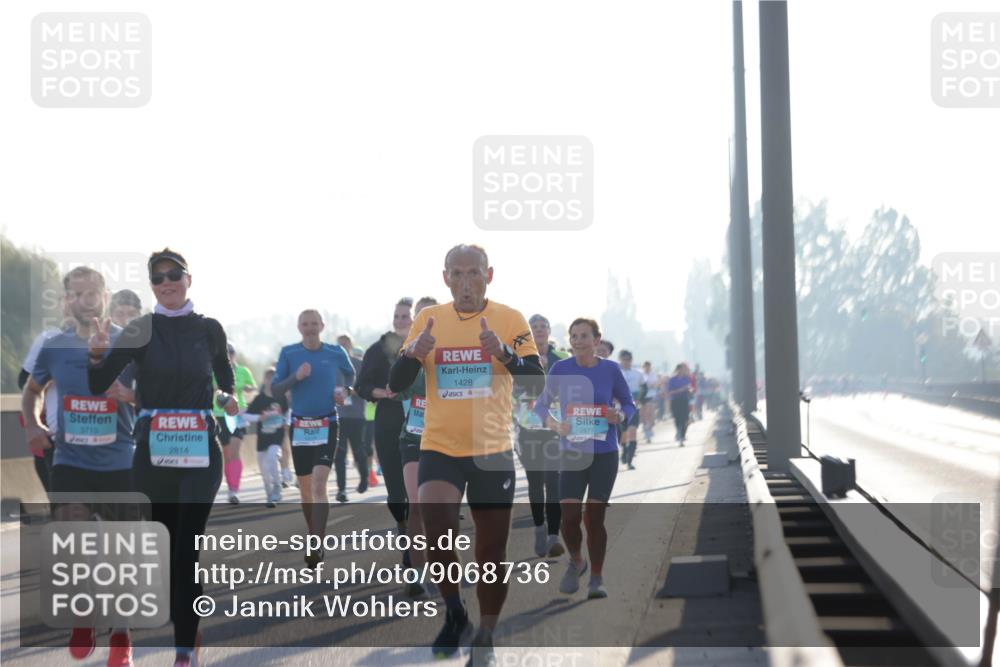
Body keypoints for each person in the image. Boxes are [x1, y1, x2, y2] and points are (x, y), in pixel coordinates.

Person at [389, 244, 544, 666]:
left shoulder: (510, 319)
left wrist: (505, 354)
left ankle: (486, 636)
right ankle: (455, 612)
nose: (465, 283)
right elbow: (397, 382)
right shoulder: (429, 319)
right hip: (439, 446)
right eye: (456, 274)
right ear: (445, 279)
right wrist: (414, 353)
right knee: (436, 529)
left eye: (473, 273)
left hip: (492, 450)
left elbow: (536, 383)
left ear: (488, 275)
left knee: (491, 554)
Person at [88, 248, 239, 667]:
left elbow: (224, 376)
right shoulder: (140, 329)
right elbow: (99, 383)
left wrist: (227, 396)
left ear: (189, 279)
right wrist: (97, 354)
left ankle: (184, 651)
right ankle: (188, 630)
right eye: (158, 277)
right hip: (153, 456)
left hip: (200, 453)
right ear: (152, 285)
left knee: (187, 550)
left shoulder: (209, 329)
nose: (167, 282)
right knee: (166, 554)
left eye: (175, 274)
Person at [24, 266, 137, 667]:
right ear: (67, 299)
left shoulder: (130, 344)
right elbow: (32, 391)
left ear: (105, 297)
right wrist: (33, 423)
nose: (87, 300)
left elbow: (157, 395)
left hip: (120, 462)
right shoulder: (53, 346)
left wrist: (130, 396)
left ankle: (121, 637)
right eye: (78, 294)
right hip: (70, 460)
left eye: (94, 293)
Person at [535, 318, 635, 600]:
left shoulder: (610, 370)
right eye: (574, 336)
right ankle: (577, 560)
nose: (578, 341)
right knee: (569, 516)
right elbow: (541, 406)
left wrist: (620, 415)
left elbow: (629, 404)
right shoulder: (560, 369)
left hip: (604, 453)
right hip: (572, 453)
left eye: (584, 336)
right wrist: (555, 425)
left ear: (596, 340)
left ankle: (596, 578)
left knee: (594, 516)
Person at [271, 309, 354, 566]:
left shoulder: (335, 352)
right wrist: (296, 377)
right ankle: (313, 534)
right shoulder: (289, 353)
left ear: (322, 326)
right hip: (300, 426)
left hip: (327, 422)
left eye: (314, 323)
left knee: (319, 484)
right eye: (305, 324)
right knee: (306, 490)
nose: (310, 328)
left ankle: (316, 542)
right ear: (299, 327)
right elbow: (275, 389)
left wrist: (345, 391)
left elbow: (351, 375)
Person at [357, 298, 413, 544]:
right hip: (389, 423)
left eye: (405, 316)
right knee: (396, 491)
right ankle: (403, 525)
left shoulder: (430, 345)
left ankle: (421, 539)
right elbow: (362, 386)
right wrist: (384, 392)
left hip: (424, 424)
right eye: (397, 316)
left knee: (421, 487)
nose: (400, 321)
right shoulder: (378, 349)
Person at [395, 296, 438, 598]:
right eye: (419, 315)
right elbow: (397, 388)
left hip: (447, 440)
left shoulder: (453, 350)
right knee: (416, 504)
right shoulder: (408, 352)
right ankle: (417, 573)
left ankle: (440, 565)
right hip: (412, 436)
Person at [517, 314, 567, 558]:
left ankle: (554, 536)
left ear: (548, 330)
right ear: (528, 332)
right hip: (528, 428)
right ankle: (540, 528)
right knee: (535, 482)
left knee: (552, 480)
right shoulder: (519, 358)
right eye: (533, 327)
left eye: (542, 326)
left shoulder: (561, 358)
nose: (538, 330)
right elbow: (511, 388)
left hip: (554, 429)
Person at [213, 343, 256, 504]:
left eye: (230, 353)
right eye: (225, 353)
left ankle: (234, 490)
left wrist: (247, 388)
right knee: (227, 455)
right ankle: (231, 488)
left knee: (234, 451)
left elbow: (252, 387)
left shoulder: (243, 371)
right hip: (220, 415)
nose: (228, 356)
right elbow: (210, 388)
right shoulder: (214, 371)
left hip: (239, 413)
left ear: (234, 354)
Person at [244, 367, 287, 507]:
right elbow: (246, 415)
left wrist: (286, 421)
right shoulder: (259, 399)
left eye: (274, 378)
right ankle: (269, 494)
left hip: (277, 437)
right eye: (268, 378)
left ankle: (277, 487)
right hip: (263, 439)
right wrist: (259, 417)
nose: (271, 380)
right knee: (264, 469)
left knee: (272, 457)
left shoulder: (281, 397)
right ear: (265, 380)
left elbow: (289, 412)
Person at [333, 333, 369, 503]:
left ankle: (364, 478)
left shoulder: (359, 364)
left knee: (358, 450)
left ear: (350, 346)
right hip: (337, 415)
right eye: (339, 345)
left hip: (356, 415)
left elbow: (366, 388)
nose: (343, 348)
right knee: (339, 453)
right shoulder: (331, 365)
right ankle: (341, 490)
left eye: (345, 344)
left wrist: (350, 391)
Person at [617, 350, 643, 470]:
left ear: (631, 360)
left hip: (633, 407)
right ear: (620, 360)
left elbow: (644, 388)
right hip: (620, 408)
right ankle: (624, 450)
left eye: (628, 359)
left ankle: (630, 461)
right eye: (624, 359)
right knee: (623, 433)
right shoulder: (616, 372)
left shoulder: (638, 373)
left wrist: (639, 400)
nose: (626, 362)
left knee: (632, 433)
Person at [667, 363, 693, 445]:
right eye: (681, 369)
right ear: (677, 370)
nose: (683, 370)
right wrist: (681, 390)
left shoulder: (686, 378)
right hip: (675, 400)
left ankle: (682, 435)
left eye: (684, 369)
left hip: (684, 400)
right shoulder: (672, 380)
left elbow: (689, 388)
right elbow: (670, 392)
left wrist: (690, 390)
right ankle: (679, 432)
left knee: (685, 418)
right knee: (677, 418)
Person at [639, 361, 658, 443]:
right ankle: (645, 428)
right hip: (642, 396)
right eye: (645, 366)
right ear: (643, 367)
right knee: (643, 414)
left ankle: (649, 431)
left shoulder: (653, 375)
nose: (647, 368)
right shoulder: (640, 374)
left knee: (649, 413)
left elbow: (656, 384)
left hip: (650, 395)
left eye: (648, 366)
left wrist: (652, 385)